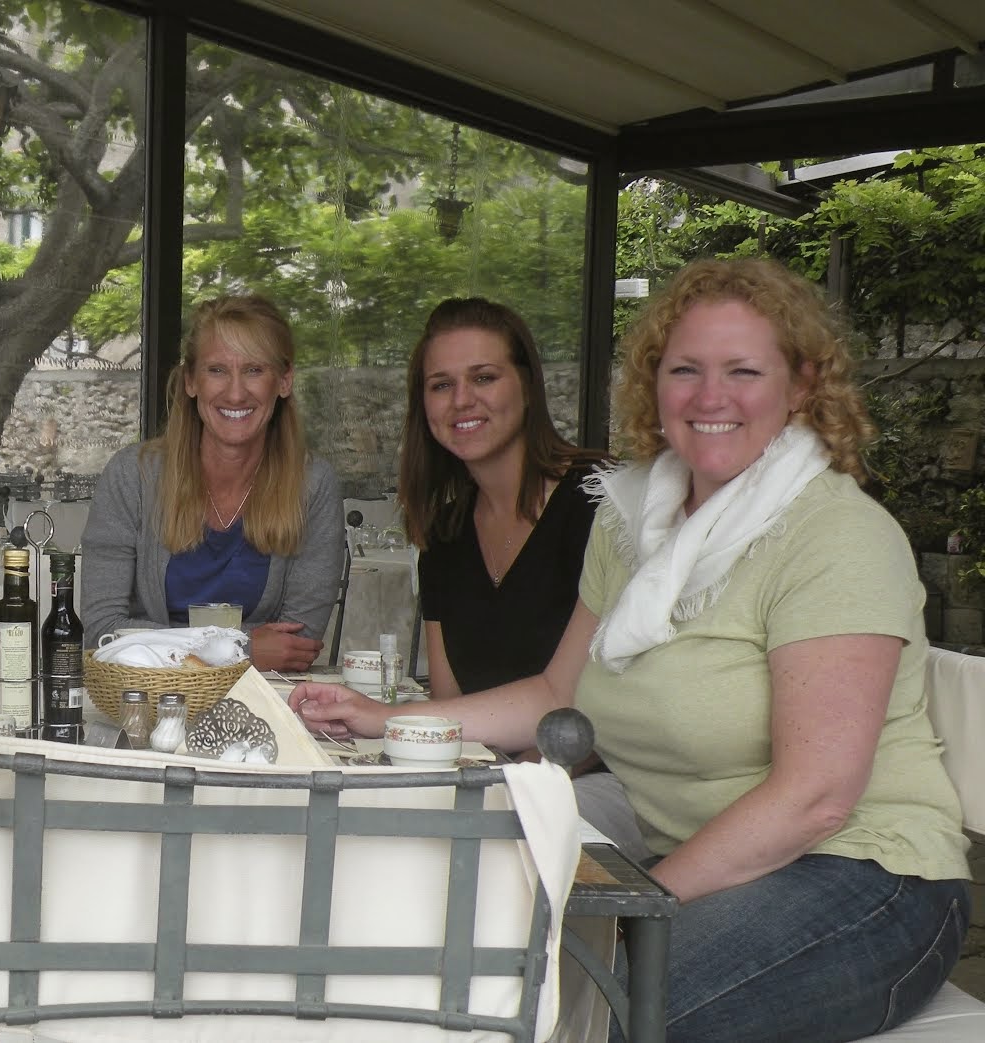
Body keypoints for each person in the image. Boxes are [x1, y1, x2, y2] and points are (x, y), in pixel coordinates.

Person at [292, 258, 971, 1041]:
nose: (710, 397)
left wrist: (628, 903)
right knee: (429, 936)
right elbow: (556, 692)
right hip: (704, 862)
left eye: (743, 370)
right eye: (685, 369)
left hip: (868, 882)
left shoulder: (834, 535)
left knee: (591, 1000)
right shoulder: (630, 522)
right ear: (655, 382)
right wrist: (382, 717)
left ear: (804, 383)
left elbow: (813, 798)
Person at [81, 293, 344, 671]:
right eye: (217, 370)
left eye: (254, 370)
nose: (235, 393)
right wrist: (245, 648)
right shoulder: (132, 477)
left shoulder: (313, 485)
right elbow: (102, 632)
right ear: (191, 381)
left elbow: (297, 644)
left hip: (263, 703)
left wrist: (160, 640)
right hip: (147, 700)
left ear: (284, 381)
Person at [402, 297, 606, 697]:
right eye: (441, 385)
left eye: (483, 378)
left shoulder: (598, 501)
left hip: (589, 758)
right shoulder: (444, 534)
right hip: (488, 757)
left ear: (528, 387)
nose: (461, 400)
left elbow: (606, 702)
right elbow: (450, 705)